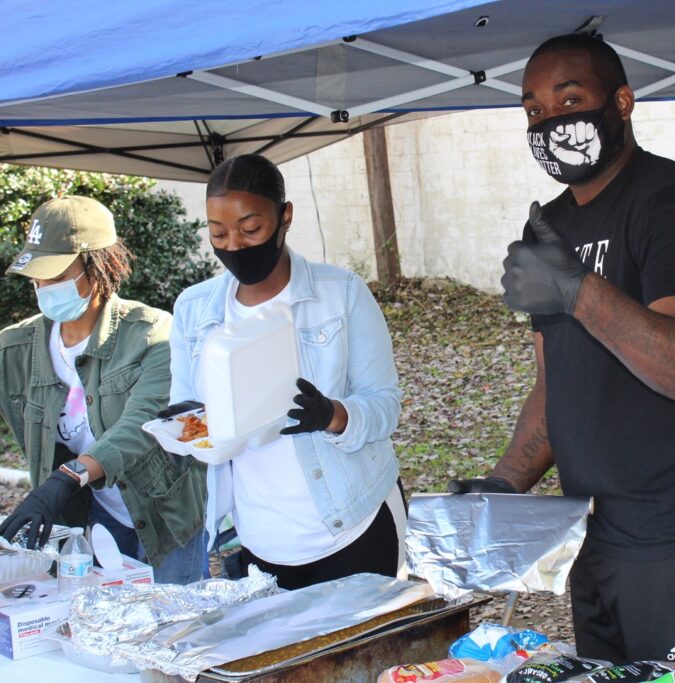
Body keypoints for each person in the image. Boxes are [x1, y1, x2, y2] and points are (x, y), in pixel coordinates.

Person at [449, 34, 675, 682]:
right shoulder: (553, 229)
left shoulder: (674, 204)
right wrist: (508, 482)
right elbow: (555, 382)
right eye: (534, 111)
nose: (550, 123)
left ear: (621, 103)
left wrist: (577, 290)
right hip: (597, 536)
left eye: (570, 99)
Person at [169, 153, 405, 591]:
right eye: (218, 233)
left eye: (251, 228)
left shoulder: (342, 295)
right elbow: (184, 410)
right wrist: (189, 425)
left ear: (285, 217)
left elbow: (385, 406)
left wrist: (332, 415)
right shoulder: (194, 309)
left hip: (353, 523)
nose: (235, 245)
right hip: (259, 538)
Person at [0, 196, 208, 584]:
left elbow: (143, 424)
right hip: (93, 521)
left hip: (166, 518)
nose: (45, 287)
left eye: (59, 275)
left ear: (96, 267)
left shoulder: (151, 333)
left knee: (183, 630)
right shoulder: (14, 350)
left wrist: (67, 477)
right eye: (38, 277)